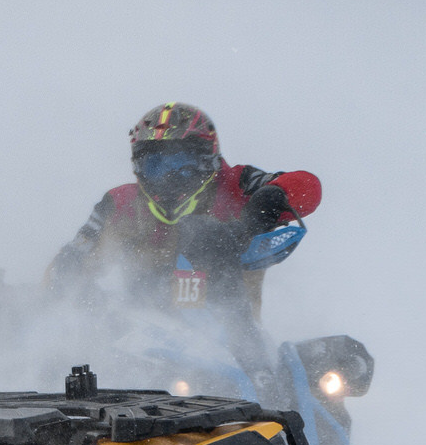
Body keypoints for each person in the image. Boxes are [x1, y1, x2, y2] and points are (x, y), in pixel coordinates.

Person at [45, 101, 321, 324]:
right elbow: (71, 260)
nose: (169, 177)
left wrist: (268, 202)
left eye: (183, 164)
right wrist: (78, 293)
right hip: (134, 340)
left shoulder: (237, 184)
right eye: (155, 165)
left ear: (208, 160)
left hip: (232, 343)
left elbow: (309, 187)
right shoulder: (120, 203)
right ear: (138, 167)